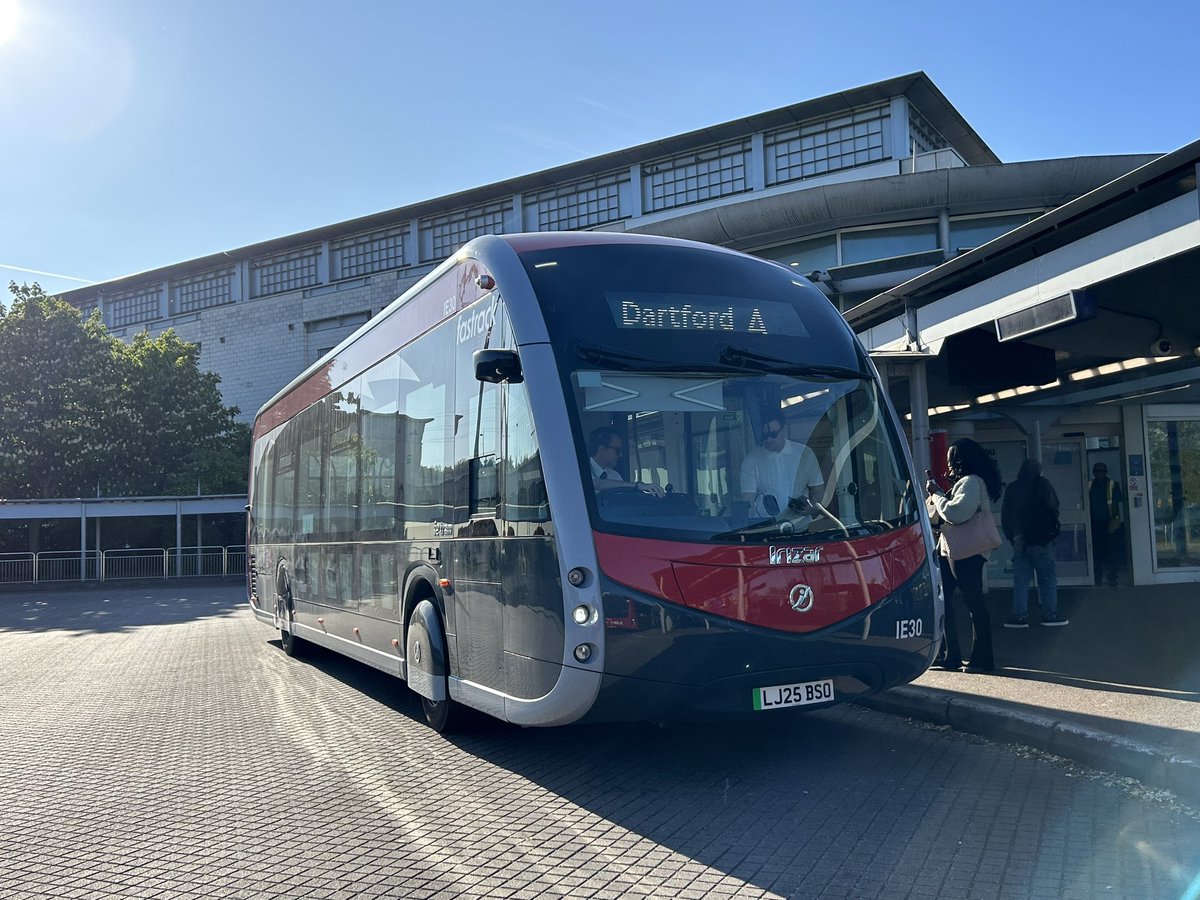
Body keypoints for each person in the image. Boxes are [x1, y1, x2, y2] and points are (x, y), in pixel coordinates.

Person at [925, 437, 1003, 673]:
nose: (948, 462)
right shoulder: (968, 482)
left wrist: (937, 494)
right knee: (948, 602)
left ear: (960, 460)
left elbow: (956, 513)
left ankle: (980, 659)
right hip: (953, 550)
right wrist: (940, 493)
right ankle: (952, 655)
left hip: (965, 552)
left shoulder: (971, 482)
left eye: (951, 457)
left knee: (972, 603)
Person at [1001, 458, 1067, 628]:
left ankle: (1019, 616)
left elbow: (1006, 516)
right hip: (1041, 540)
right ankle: (1050, 614)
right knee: (1047, 579)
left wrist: (1013, 537)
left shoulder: (1013, 488)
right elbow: (1054, 507)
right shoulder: (1043, 485)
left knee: (1021, 581)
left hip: (1019, 540)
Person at [740, 414, 824, 518]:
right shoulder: (751, 460)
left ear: (783, 429)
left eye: (773, 434)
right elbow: (748, 500)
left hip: (799, 523)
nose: (769, 439)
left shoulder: (804, 453)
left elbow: (818, 490)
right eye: (765, 436)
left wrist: (810, 508)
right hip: (765, 524)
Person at [588, 426, 665, 496]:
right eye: (618, 450)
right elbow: (597, 484)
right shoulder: (582, 470)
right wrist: (638, 485)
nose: (621, 455)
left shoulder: (615, 475)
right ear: (602, 449)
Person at [1088, 462, 1124, 586]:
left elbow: (1117, 504)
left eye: (1101, 471)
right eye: (1096, 471)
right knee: (1096, 551)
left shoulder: (1113, 485)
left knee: (1111, 550)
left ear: (1105, 472)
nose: (1098, 473)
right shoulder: (1089, 485)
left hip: (1110, 522)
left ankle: (1112, 575)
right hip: (1093, 522)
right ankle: (1097, 575)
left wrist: (1115, 523)